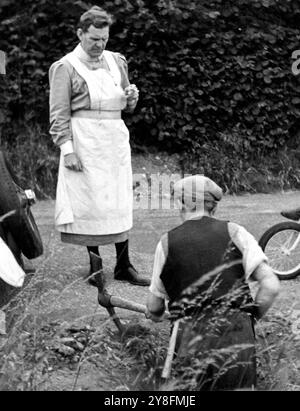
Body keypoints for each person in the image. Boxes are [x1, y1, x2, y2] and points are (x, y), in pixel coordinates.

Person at [146, 175, 280, 390]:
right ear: (213, 207)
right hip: (237, 334)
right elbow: (271, 286)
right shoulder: (236, 233)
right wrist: (250, 318)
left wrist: (154, 314)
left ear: (186, 203)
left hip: (189, 337)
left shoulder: (166, 243)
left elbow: (154, 307)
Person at [49, 6, 149, 286]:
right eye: (94, 39)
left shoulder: (116, 61)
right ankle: (95, 266)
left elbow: (127, 104)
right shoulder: (65, 67)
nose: (99, 45)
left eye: (104, 39)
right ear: (80, 33)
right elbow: (58, 114)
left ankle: (124, 265)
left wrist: (131, 97)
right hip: (85, 140)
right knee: (90, 202)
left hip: (114, 139)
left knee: (117, 199)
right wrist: (67, 150)